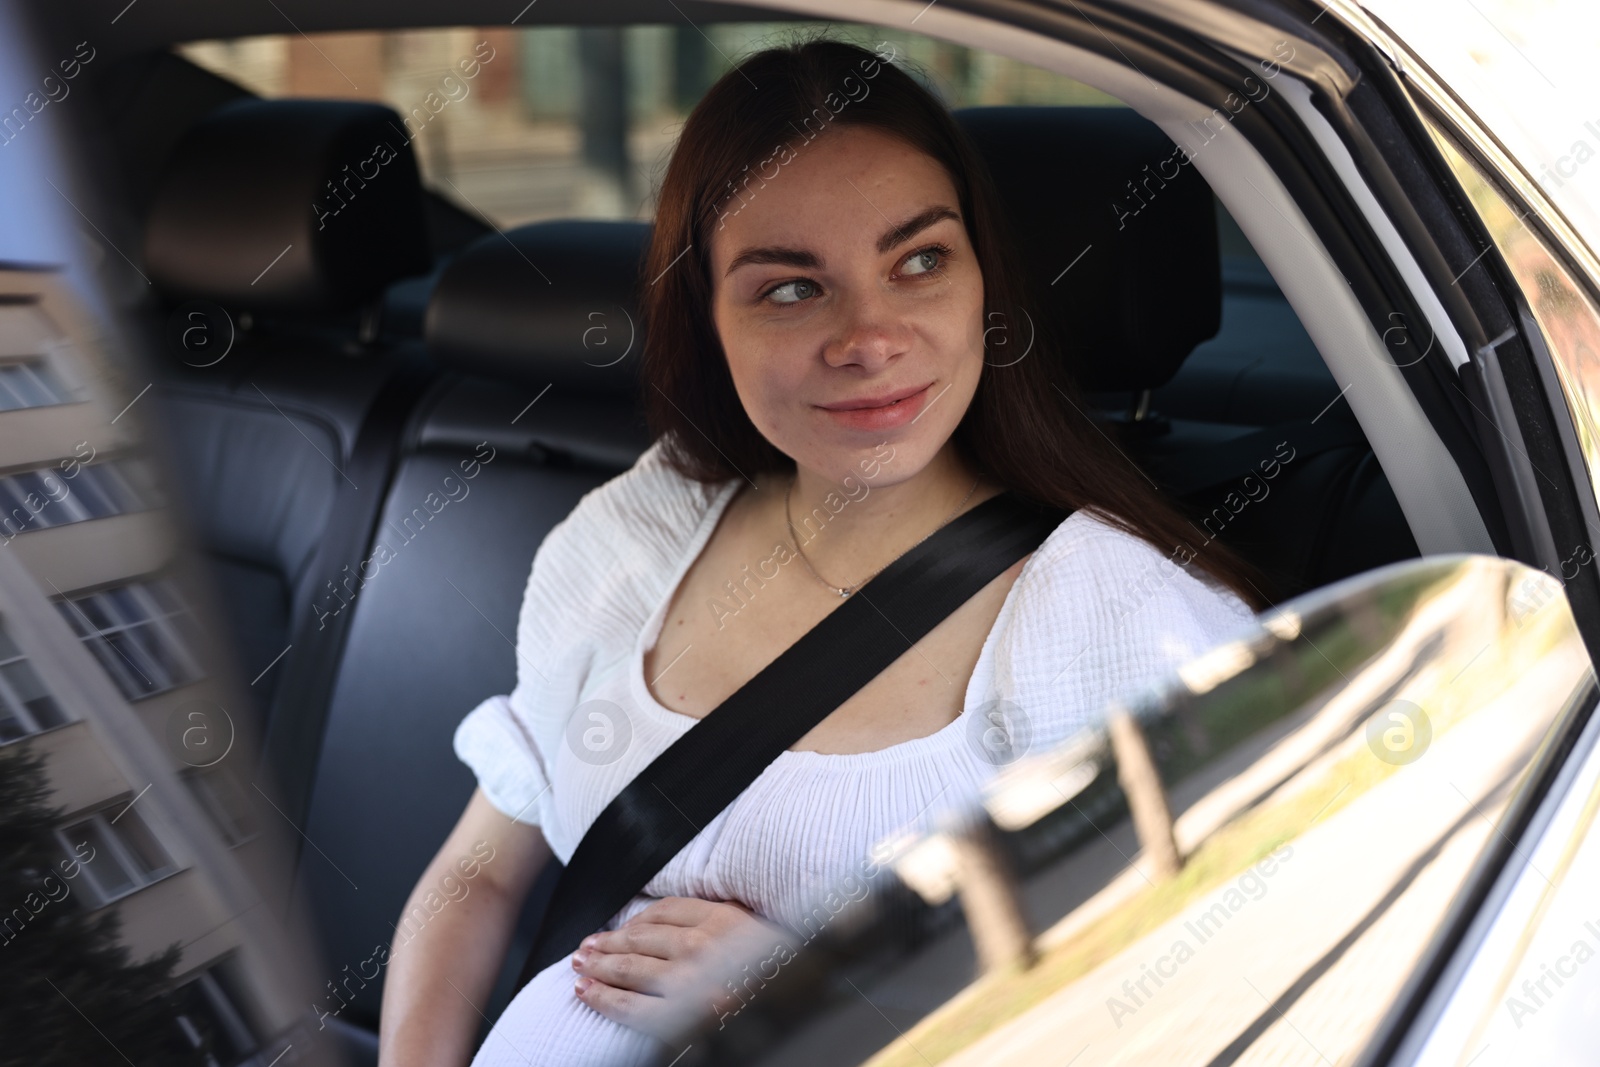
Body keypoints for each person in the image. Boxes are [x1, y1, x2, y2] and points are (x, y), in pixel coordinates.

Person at [377, 33, 1264, 1067]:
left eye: (919, 260)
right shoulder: (642, 530)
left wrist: (820, 993)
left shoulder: (1129, 622)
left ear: (986, 283)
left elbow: (1198, 1015)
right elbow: (477, 873)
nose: (870, 336)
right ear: (707, 319)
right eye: (791, 287)